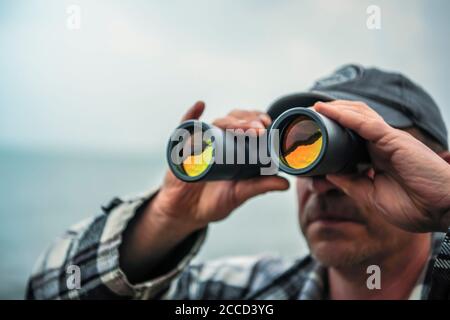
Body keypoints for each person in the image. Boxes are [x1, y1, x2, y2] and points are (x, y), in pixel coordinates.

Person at [26, 64, 450, 300]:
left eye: (358, 154)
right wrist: (166, 218)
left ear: (437, 166)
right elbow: (45, 292)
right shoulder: (240, 294)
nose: (322, 183)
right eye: (302, 150)